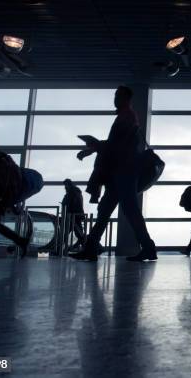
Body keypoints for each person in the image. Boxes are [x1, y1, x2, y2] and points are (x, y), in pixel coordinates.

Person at [69, 86, 157, 262]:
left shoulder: (127, 117)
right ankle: (91, 248)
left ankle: (148, 248)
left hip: (124, 173)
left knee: (128, 210)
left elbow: (116, 146)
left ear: (127, 98)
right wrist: (93, 148)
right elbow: (115, 144)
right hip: (120, 173)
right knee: (105, 210)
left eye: (118, 95)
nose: (115, 98)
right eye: (115, 95)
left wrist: (92, 146)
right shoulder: (126, 117)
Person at [62, 178, 87, 252]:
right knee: (78, 233)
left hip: (73, 215)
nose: (65, 187)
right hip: (76, 215)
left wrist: (65, 204)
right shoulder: (76, 192)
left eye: (65, 185)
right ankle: (84, 247)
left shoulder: (72, 193)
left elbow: (70, 203)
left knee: (68, 232)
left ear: (68, 185)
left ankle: (59, 248)